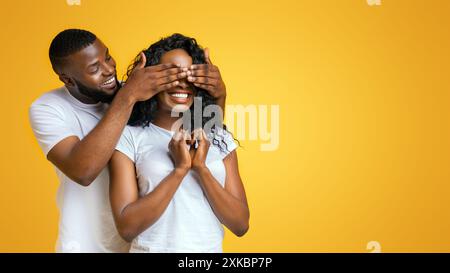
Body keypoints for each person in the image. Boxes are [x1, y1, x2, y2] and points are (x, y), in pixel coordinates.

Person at [28, 29, 227, 252]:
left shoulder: (136, 95)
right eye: (94, 68)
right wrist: (129, 95)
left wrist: (218, 94)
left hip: (137, 244)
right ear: (67, 79)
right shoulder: (49, 108)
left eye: (108, 57)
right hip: (85, 244)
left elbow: (200, 132)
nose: (109, 70)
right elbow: (83, 170)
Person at [109, 34, 249, 253]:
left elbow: (240, 224)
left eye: (189, 75)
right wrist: (180, 169)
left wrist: (201, 168)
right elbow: (127, 228)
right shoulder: (128, 137)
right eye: (171, 75)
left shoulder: (217, 137)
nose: (183, 84)